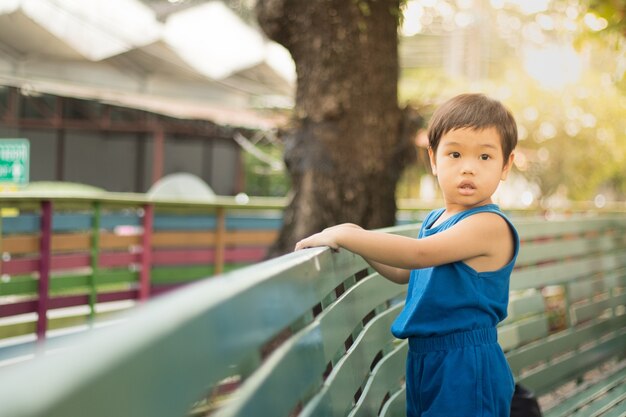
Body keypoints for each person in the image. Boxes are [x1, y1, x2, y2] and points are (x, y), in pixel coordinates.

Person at [295, 93, 519, 417]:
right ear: (433, 159)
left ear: (505, 165)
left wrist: (351, 235)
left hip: (465, 362)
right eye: (454, 154)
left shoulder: (489, 225)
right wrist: (358, 239)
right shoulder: (436, 220)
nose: (468, 168)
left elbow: (418, 254)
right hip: (425, 358)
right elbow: (406, 272)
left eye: (485, 157)